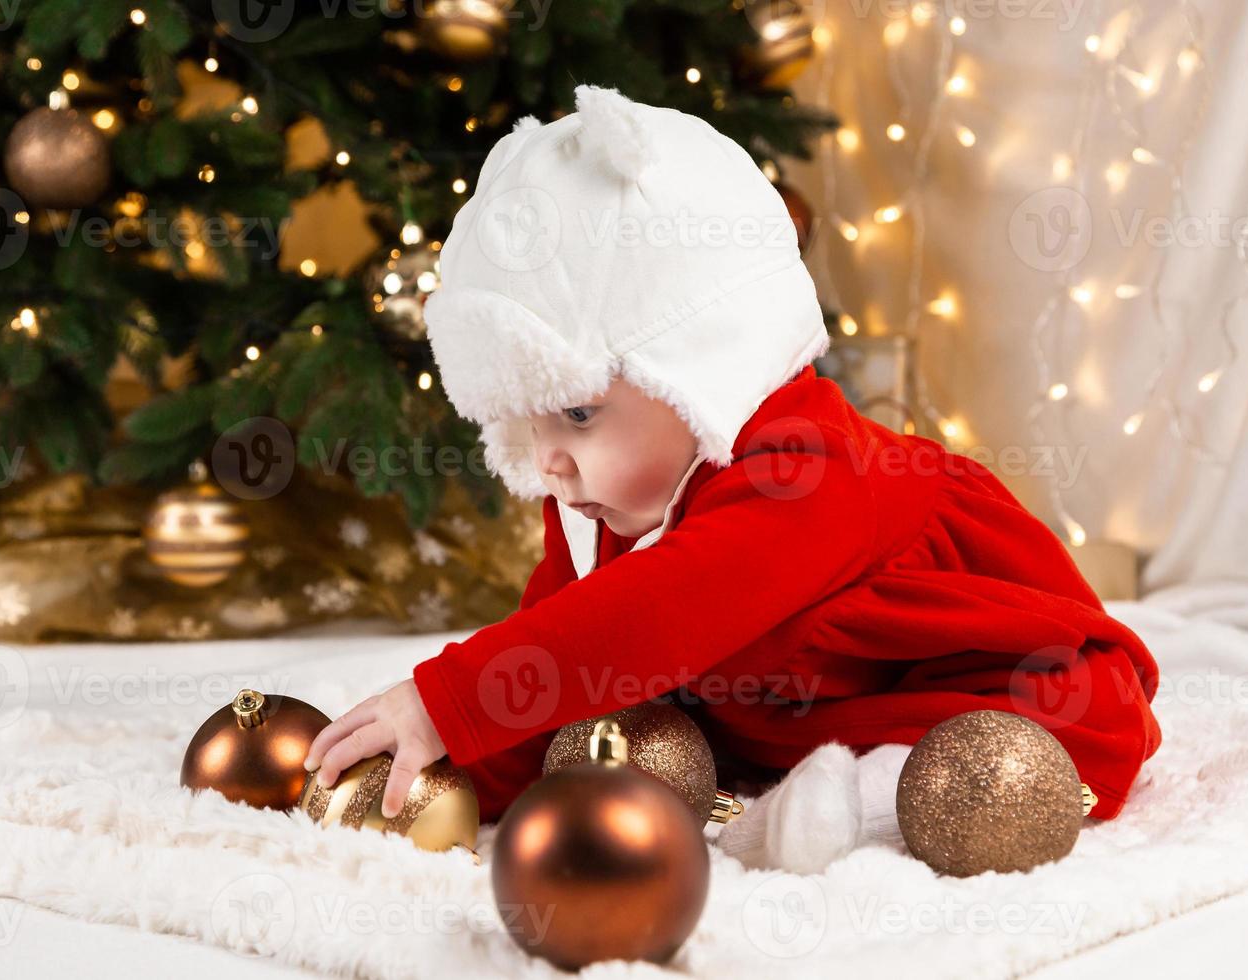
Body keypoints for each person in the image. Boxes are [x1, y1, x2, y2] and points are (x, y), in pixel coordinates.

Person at [303, 84, 1162, 873]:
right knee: (628, 725)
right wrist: (435, 773)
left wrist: (448, 698)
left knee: (1048, 729)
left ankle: (868, 803)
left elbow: (658, 613)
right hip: (795, 710)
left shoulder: (807, 465)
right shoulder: (609, 494)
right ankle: (793, 780)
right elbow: (562, 652)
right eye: (525, 423)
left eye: (575, 414)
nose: (548, 461)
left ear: (695, 368)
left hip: (974, 673)